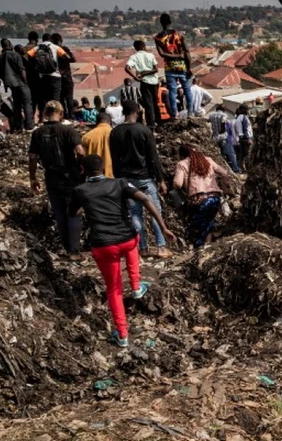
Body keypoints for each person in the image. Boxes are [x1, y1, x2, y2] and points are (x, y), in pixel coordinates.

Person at [70, 154, 176, 348]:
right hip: (127, 240)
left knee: (114, 289)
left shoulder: (80, 190)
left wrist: (88, 205)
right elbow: (145, 199)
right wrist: (163, 227)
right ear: (104, 168)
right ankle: (136, 287)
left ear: (82, 170)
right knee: (132, 240)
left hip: (104, 245)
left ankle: (122, 334)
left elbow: (73, 213)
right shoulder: (120, 183)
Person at [111, 101, 170, 258]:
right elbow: (153, 158)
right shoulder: (144, 130)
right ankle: (161, 247)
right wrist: (161, 180)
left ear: (123, 111)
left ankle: (142, 248)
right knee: (154, 211)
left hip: (126, 179)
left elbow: (114, 160)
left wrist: (118, 181)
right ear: (138, 110)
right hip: (145, 178)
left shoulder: (115, 132)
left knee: (134, 214)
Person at [28, 100, 86, 257]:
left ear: (46, 113)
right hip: (70, 177)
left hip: (51, 177)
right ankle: (74, 251)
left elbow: (33, 157)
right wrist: (82, 167)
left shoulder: (37, 133)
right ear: (61, 114)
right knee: (73, 212)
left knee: (60, 214)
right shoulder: (68, 131)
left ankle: (68, 248)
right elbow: (80, 152)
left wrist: (32, 177)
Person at [173, 144, 230, 248]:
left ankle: (201, 247)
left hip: (199, 201)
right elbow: (224, 173)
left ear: (182, 154)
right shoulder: (208, 160)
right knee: (208, 221)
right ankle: (208, 245)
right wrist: (225, 189)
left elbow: (178, 184)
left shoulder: (182, 164)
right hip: (215, 199)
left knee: (199, 225)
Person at [154, 13, 193, 118]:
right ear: (170, 22)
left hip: (170, 67)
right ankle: (190, 113)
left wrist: (173, 56)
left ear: (161, 23)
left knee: (172, 90)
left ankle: (175, 114)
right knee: (187, 89)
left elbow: (161, 54)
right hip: (182, 66)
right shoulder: (179, 35)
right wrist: (189, 67)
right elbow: (187, 52)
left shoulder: (158, 38)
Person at [0, 38, 33, 132]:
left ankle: (19, 126)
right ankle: (29, 126)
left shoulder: (0, 58)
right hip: (20, 82)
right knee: (27, 104)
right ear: (10, 45)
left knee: (16, 105)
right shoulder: (15, 55)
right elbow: (22, 70)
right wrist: (26, 83)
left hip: (10, 85)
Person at [125, 40, 161, 128]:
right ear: (144, 47)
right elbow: (156, 69)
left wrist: (136, 76)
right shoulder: (151, 55)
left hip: (145, 82)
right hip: (154, 81)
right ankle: (159, 121)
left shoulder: (134, 57)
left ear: (136, 48)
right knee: (155, 101)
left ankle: (151, 123)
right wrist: (146, 73)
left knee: (148, 103)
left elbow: (127, 68)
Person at [25, 34, 67, 106]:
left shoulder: (38, 47)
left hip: (43, 76)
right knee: (56, 98)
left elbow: (27, 56)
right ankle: (55, 114)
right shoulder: (55, 47)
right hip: (55, 75)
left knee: (46, 98)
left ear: (42, 39)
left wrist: (35, 65)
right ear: (51, 39)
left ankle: (47, 115)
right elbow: (67, 56)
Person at [208, 105, 241, 173]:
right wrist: (222, 130)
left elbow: (208, 122)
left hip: (215, 138)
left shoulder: (211, 115)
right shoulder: (224, 115)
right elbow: (223, 123)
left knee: (222, 155)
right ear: (223, 109)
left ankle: (225, 169)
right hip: (223, 137)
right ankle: (235, 169)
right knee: (230, 153)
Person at [81, 110, 114, 178]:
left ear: (97, 122)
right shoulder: (116, 134)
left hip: (94, 177)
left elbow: (83, 156)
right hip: (113, 176)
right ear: (110, 122)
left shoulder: (87, 136)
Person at [51, 34, 77, 116]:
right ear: (60, 41)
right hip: (67, 76)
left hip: (58, 77)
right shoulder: (64, 49)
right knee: (69, 97)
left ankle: (64, 115)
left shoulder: (52, 51)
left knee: (61, 98)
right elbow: (73, 59)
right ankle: (71, 116)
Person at [24, 31, 44, 119]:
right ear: (37, 39)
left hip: (27, 78)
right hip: (39, 77)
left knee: (30, 101)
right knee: (41, 100)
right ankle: (41, 118)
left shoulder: (23, 49)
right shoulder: (39, 49)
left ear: (28, 39)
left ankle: (30, 120)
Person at [232, 104, 253, 172]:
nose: (248, 111)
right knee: (248, 154)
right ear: (243, 110)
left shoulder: (238, 118)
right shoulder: (243, 117)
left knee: (242, 155)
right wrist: (248, 138)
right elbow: (245, 128)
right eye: (247, 109)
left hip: (241, 138)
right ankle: (248, 169)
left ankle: (242, 169)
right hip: (246, 138)